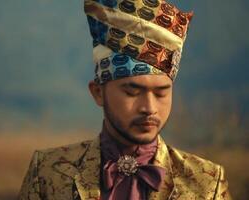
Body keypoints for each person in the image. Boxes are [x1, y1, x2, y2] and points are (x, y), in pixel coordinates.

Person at [18, 0, 232, 199]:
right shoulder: (48, 172)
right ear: (98, 93)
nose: (149, 108)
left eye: (161, 93)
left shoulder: (206, 183)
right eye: (132, 92)